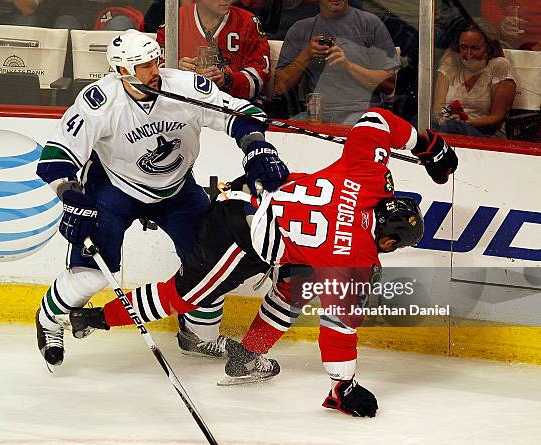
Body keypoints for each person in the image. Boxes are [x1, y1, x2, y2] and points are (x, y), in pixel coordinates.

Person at [60, 107, 458, 416]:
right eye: (391, 246)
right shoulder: (355, 260)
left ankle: (247, 356)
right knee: (184, 296)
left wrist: (427, 145)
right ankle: (95, 319)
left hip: (262, 215)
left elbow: (375, 122)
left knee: (297, 285)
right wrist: (344, 388)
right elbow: (337, 331)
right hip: (236, 233)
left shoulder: (367, 174)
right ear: (387, 239)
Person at [34, 29, 290, 367]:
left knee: (209, 265)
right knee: (92, 275)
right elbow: (55, 158)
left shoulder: (186, 88)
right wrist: (70, 194)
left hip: (177, 188)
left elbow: (243, 116)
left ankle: (199, 336)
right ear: (122, 70)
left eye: (155, 60)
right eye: (143, 65)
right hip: (114, 188)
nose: (154, 69)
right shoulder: (100, 101)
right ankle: (49, 320)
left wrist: (255, 144)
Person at [273, 0, 400, 124]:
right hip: (317, 116)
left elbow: (389, 84)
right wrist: (306, 55)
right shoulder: (300, 29)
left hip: (362, 114)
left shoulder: (370, 24)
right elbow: (280, 87)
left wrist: (348, 66)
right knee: (279, 135)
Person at [156, 0, 271, 101]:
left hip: (234, 106)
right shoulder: (174, 19)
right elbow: (153, 71)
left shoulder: (247, 22)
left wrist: (227, 80)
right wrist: (175, 69)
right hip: (185, 103)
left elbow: (260, 77)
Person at [432, 19, 517, 138]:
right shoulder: (450, 64)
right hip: (448, 130)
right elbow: (438, 108)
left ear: (488, 48)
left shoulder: (499, 66)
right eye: (463, 47)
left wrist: (465, 123)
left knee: (451, 127)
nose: (468, 54)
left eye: (475, 48)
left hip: (485, 135)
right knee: (418, 121)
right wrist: (444, 117)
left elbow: (497, 118)